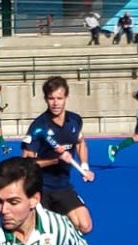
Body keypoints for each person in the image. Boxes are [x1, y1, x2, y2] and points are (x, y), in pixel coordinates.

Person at [22, 76, 95, 235]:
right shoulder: (38, 127)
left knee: (85, 226)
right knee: (36, 236)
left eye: (59, 98)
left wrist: (84, 166)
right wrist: (56, 159)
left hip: (63, 187)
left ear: (66, 98)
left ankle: (59, 226)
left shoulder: (75, 120)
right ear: (46, 99)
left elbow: (80, 142)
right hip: (40, 189)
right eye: (51, 98)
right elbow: (26, 163)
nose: (55, 103)